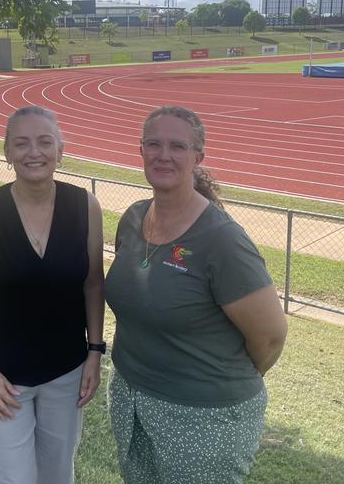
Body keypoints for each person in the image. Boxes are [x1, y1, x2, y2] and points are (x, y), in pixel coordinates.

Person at [105, 105, 288, 484]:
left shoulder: (222, 240)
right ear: (140, 151)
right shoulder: (134, 218)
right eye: (153, 144)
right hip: (131, 399)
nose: (164, 155)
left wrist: (214, 380)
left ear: (198, 156)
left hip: (204, 416)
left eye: (178, 146)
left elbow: (270, 337)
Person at [0, 105, 105, 484]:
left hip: (66, 372)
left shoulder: (84, 206)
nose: (33, 152)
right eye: (20, 143)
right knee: (13, 478)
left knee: (57, 475)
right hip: (2, 377)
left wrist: (95, 353)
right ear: (7, 152)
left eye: (44, 142)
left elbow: (93, 284)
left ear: (60, 150)